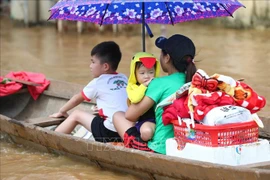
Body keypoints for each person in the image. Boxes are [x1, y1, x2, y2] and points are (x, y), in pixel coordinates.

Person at [113, 34, 197, 154]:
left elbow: (130, 115)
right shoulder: (196, 81)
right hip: (187, 144)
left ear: (167, 58)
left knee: (118, 116)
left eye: (161, 53)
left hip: (159, 148)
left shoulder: (158, 83)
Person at [50, 41, 128, 143]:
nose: (90, 66)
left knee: (76, 114)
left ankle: (53, 139)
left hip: (109, 132)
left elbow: (76, 99)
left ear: (105, 67)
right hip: (126, 130)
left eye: (93, 62)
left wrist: (62, 111)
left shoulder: (97, 82)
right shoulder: (124, 78)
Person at [126, 52, 160, 142]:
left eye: (151, 72)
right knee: (146, 132)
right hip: (143, 120)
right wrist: (144, 86)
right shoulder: (132, 86)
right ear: (134, 73)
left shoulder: (157, 83)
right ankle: (141, 143)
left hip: (158, 119)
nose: (147, 76)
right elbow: (135, 98)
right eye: (142, 73)